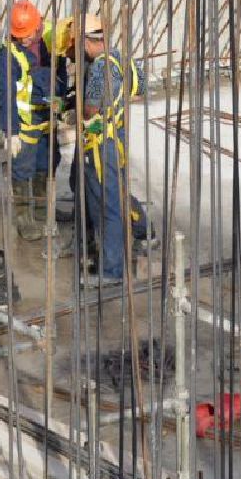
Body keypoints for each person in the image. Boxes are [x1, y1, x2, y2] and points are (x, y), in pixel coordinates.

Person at [75, 14, 141, 287]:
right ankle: (126, 243)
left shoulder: (99, 68)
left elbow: (90, 107)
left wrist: (77, 114)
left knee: (107, 204)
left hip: (103, 142)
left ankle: (112, 269)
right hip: (119, 136)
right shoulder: (121, 59)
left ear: (88, 41)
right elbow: (140, 88)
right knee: (111, 196)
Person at [0, 0, 69, 240]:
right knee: (22, 170)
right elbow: (6, 93)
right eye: (20, 36)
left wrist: (62, 99)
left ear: (38, 26)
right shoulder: (8, 54)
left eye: (28, 35)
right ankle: (25, 219)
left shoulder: (50, 39)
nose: (24, 40)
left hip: (47, 119)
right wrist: (10, 131)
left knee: (46, 166)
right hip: (26, 124)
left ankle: (42, 211)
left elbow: (60, 72)